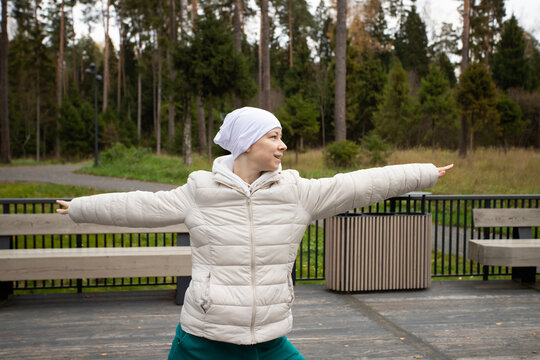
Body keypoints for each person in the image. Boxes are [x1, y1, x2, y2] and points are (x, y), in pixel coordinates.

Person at [57, 106, 453, 360]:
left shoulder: (297, 193)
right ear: (246, 143)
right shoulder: (200, 192)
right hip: (204, 340)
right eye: (273, 136)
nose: (283, 145)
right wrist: (79, 208)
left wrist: (420, 173)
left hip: (269, 340)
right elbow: (137, 206)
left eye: (280, 137)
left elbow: (359, 185)